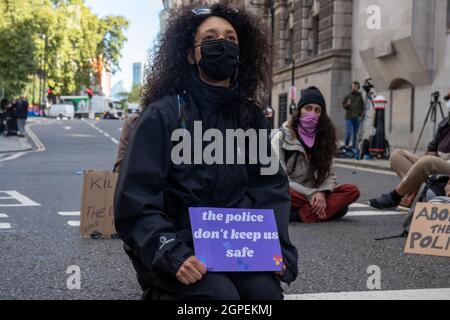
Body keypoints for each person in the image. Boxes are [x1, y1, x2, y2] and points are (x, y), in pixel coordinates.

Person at [114, 3, 298, 300]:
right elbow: (137, 199)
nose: (222, 44)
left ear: (241, 54)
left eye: (231, 39)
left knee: (265, 296)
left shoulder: (250, 117)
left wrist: (277, 248)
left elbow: (269, 189)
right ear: (191, 54)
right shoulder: (162, 116)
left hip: (238, 246)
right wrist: (171, 253)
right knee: (218, 298)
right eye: (211, 38)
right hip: (177, 247)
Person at [271, 86, 361, 224]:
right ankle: (321, 211)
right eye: (308, 108)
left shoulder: (324, 139)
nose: (312, 114)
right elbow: (280, 179)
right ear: (299, 111)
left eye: (317, 110)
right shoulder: (281, 136)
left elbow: (330, 176)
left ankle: (299, 215)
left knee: (351, 190)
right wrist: (311, 194)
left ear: (322, 115)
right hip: (292, 190)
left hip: (312, 194)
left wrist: (322, 193)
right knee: (278, 190)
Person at [370, 89, 450, 209]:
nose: (448, 102)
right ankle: (414, 189)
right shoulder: (445, 123)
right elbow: (432, 147)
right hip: (438, 164)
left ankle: (395, 196)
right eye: (447, 98)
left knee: (427, 161)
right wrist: (431, 154)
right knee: (397, 155)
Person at [342, 81, 364, 149]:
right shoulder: (347, 96)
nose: (354, 87)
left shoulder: (360, 97)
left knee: (355, 135)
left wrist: (361, 115)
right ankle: (346, 145)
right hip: (349, 117)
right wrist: (347, 104)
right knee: (349, 132)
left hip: (357, 118)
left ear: (358, 87)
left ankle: (354, 148)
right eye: (353, 86)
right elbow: (344, 106)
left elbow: (362, 107)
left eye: (355, 86)